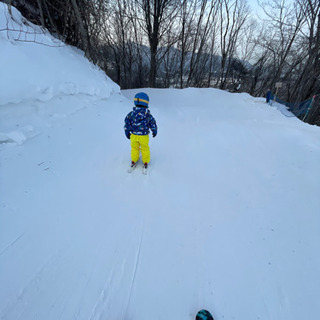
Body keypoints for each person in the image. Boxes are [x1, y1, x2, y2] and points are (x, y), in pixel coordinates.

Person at [124, 92, 157, 171]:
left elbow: (127, 124)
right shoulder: (147, 115)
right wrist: (154, 130)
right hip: (144, 136)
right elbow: (152, 123)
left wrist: (127, 132)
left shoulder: (130, 114)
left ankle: (134, 160)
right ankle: (145, 162)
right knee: (145, 148)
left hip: (134, 136)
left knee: (134, 148)